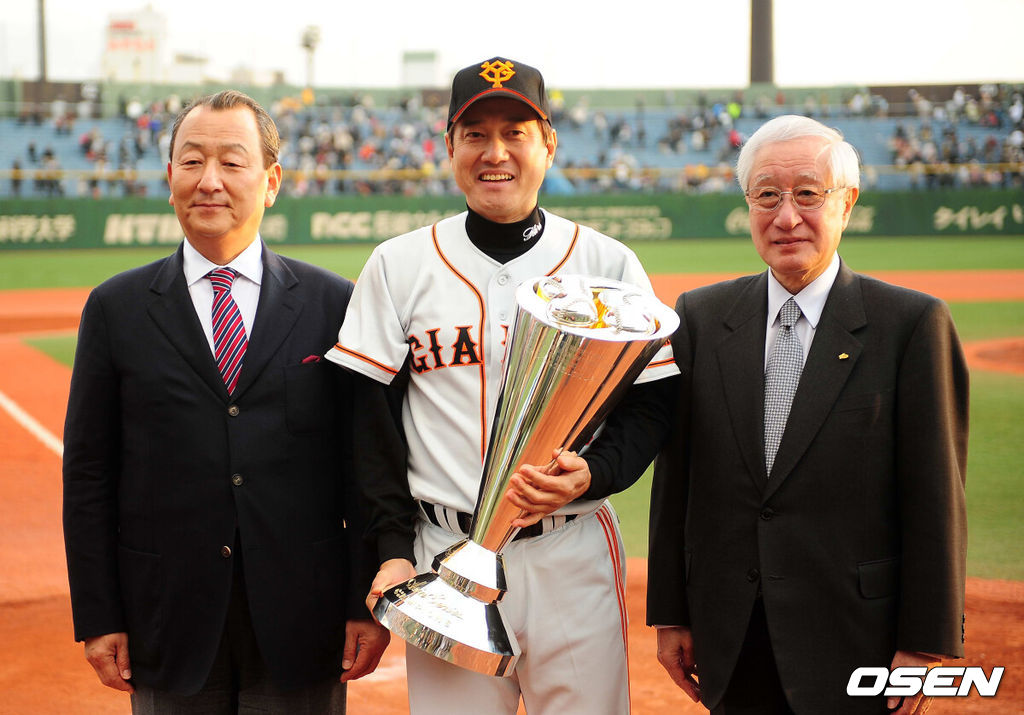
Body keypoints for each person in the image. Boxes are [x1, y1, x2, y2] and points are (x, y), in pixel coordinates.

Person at [326, 57, 678, 714]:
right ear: (449, 147)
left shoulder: (607, 263)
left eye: (516, 132)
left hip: (568, 550)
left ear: (548, 145)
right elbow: (369, 426)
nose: (496, 153)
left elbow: (653, 403)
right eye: (476, 134)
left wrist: (594, 473)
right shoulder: (398, 265)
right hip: (442, 558)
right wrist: (394, 549)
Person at [63, 90, 389, 713]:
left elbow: (363, 469)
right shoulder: (115, 309)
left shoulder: (334, 304)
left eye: (231, 162)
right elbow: (89, 475)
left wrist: (361, 602)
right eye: (191, 161)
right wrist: (98, 613)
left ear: (270, 182)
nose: (209, 180)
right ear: (169, 179)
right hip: (165, 616)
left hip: (305, 619)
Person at [647, 114, 968, 715]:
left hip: (857, 639)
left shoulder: (911, 324)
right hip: (731, 635)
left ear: (846, 203)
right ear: (747, 205)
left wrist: (924, 645)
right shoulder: (701, 317)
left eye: (808, 194)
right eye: (767, 194)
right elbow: (677, 478)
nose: (786, 216)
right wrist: (671, 613)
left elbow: (936, 496)